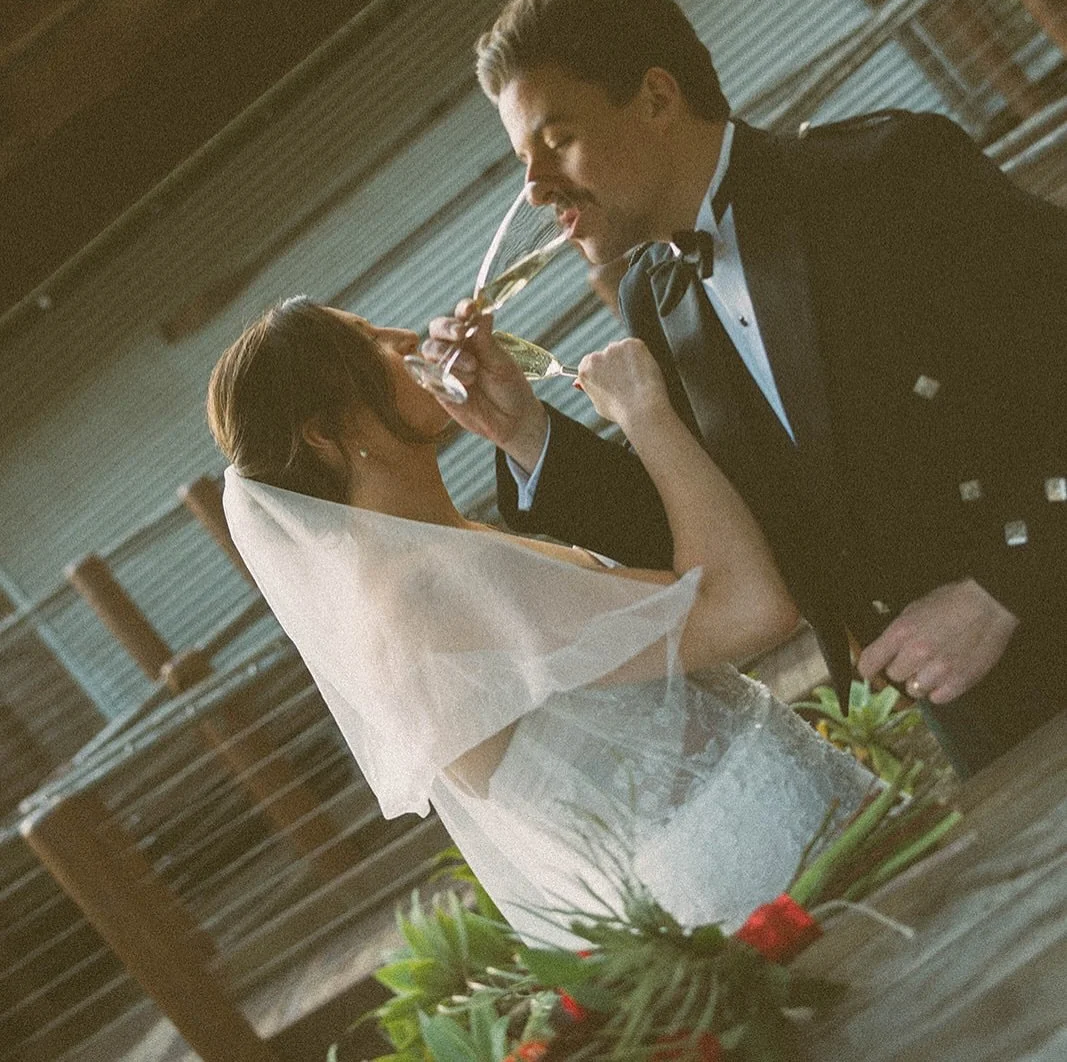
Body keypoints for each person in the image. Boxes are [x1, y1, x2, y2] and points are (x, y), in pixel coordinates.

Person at [422, 0, 1067, 777]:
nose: (536, 186)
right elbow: (703, 531)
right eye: (523, 158)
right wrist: (522, 430)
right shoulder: (654, 301)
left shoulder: (879, 174)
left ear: (657, 99)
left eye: (557, 140)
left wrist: (1000, 585)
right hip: (978, 726)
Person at [207, 297, 874, 946]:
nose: (403, 337)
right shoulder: (432, 587)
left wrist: (521, 428)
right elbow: (747, 611)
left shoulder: (443, 558)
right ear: (327, 433)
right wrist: (645, 413)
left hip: (759, 852)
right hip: (768, 872)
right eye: (368, 342)